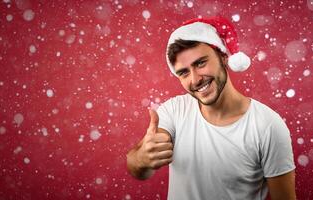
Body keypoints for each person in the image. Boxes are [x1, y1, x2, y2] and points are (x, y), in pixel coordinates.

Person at [126, 16, 296, 200]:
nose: (195, 80)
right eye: (183, 72)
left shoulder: (268, 125)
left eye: (200, 63)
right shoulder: (174, 111)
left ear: (223, 57)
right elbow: (139, 169)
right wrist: (142, 158)